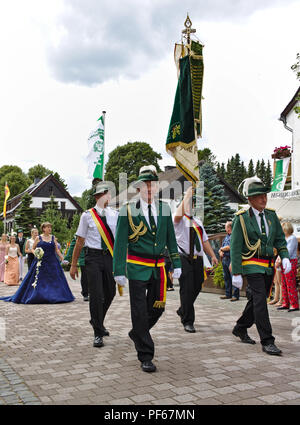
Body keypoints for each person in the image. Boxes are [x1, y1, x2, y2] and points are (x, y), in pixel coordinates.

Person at [113, 165, 181, 373]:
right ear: (139, 188)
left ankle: (137, 333)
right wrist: (119, 270)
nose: (149, 189)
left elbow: (170, 237)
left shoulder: (165, 209)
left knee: (157, 308)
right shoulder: (127, 210)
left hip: (159, 267)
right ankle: (145, 354)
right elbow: (120, 243)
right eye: (145, 185)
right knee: (139, 311)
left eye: (152, 185)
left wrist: (176, 263)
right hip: (136, 266)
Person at [231, 177, 291, 356]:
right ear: (250, 199)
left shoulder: (272, 215)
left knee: (257, 300)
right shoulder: (241, 219)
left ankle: (240, 327)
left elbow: (280, 240)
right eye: (259, 196)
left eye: (265, 195)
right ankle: (268, 340)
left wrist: (285, 256)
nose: (264, 199)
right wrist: (237, 272)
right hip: (251, 264)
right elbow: (235, 246)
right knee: (260, 302)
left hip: (268, 265)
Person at [70, 182, 119, 348]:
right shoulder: (87, 215)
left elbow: (119, 240)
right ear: (97, 197)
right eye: (102, 194)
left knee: (110, 292)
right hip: (93, 258)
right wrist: (73, 264)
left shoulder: (115, 214)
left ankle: (97, 320)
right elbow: (79, 241)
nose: (106, 196)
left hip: (109, 258)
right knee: (96, 295)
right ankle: (98, 332)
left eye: (107, 193)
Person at [174, 186, 218, 333]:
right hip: (183, 257)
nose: (190, 206)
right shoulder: (179, 219)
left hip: (197, 258)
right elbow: (177, 216)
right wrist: (187, 195)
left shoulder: (197, 221)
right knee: (186, 289)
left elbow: (204, 240)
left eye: (191, 204)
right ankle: (188, 321)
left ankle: (183, 308)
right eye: (187, 203)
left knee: (197, 286)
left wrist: (212, 255)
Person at [0, 222, 74, 304]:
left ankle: (55, 295)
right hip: (40, 261)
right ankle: (39, 295)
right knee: (38, 279)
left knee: (55, 279)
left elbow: (57, 250)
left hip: (53, 262)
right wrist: (36, 253)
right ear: (43, 229)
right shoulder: (38, 238)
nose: (49, 229)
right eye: (47, 227)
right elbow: (32, 248)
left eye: (50, 227)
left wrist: (63, 259)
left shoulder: (53, 238)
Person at [276, 222, 299, 312]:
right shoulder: (285, 238)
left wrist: (279, 260)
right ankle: (285, 303)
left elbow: (288, 252)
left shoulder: (292, 238)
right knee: (284, 284)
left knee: (290, 284)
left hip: (290, 262)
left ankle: (294, 304)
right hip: (284, 261)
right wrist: (278, 260)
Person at [219, 221, 239, 301]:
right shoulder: (226, 236)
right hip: (225, 259)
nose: (225, 228)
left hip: (231, 259)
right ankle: (228, 294)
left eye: (226, 227)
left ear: (229, 227)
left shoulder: (234, 236)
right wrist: (220, 251)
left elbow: (230, 247)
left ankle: (235, 295)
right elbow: (222, 246)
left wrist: (221, 249)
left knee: (233, 277)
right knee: (226, 277)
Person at [64, 235, 89, 301]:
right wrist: (67, 258)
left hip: (94, 258)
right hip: (83, 259)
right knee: (85, 276)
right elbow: (72, 247)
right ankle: (85, 293)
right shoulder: (79, 235)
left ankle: (91, 291)